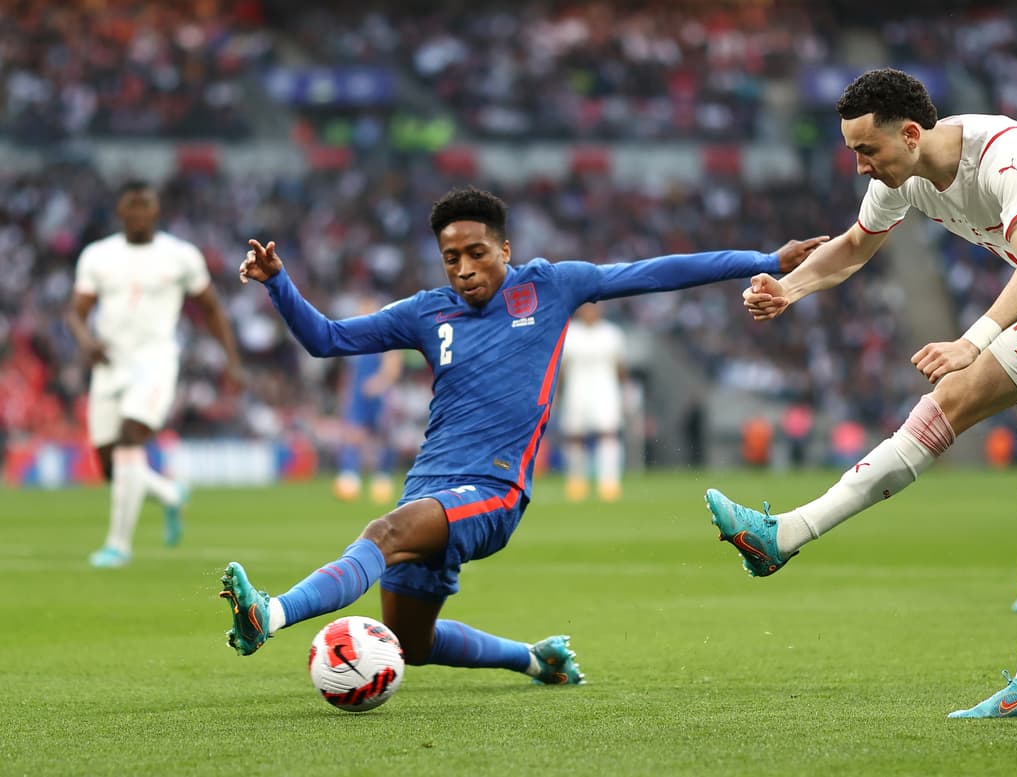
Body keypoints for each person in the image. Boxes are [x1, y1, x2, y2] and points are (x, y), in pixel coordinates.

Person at [220, 186, 826, 685]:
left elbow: (655, 272)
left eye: (476, 253)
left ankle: (267, 615)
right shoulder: (427, 312)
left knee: (382, 533)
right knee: (411, 641)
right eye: (450, 258)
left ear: (504, 248)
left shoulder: (552, 285)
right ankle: (538, 661)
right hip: (428, 486)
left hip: (494, 489)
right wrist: (279, 283)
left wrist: (766, 261)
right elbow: (327, 340)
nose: (463, 269)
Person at [704, 68, 1017, 718]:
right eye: (853, 150)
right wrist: (788, 290)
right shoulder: (902, 175)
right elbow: (855, 246)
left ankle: (786, 535)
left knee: (950, 399)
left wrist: (973, 342)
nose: (858, 166)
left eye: (866, 150)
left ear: (911, 134)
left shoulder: (1005, 154)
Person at [66, 180, 243, 568]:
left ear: (156, 211)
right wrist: (86, 341)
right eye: (131, 206)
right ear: (120, 212)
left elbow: (211, 308)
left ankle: (118, 546)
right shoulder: (98, 256)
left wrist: (231, 359)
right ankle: (168, 494)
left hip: (156, 361)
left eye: (144, 206)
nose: (138, 213)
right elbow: (75, 312)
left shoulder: (180, 256)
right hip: (109, 364)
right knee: (112, 467)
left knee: (132, 437)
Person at [333, 293, 404, 505]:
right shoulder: (355, 341)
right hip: (358, 396)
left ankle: (383, 478)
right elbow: (350, 374)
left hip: (378, 395)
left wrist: (379, 383)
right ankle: (350, 478)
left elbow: (393, 366)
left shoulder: (386, 337)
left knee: (382, 437)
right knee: (353, 436)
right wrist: (346, 394)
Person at [557, 302, 627, 502]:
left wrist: (625, 392)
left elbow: (620, 366)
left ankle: (609, 483)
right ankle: (577, 481)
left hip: (605, 391)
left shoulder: (611, 333)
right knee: (575, 437)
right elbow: (561, 368)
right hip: (576, 390)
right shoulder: (571, 334)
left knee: (608, 435)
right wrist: (557, 394)